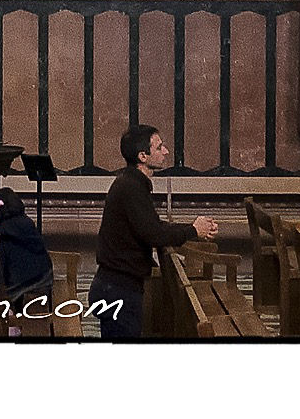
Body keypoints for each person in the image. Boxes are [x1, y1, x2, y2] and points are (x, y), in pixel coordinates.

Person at [91, 124, 219, 340]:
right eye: (159, 147)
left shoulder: (133, 182)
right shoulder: (130, 187)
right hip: (118, 289)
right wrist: (193, 230)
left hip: (118, 284)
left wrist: (194, 228)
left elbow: (154, 226)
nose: (166, 151)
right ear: (143, 156)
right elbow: (154, 234)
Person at [0, 190, 57, 328]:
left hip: (33, 282)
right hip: (40, 276)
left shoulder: (10, 227)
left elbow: (8, 268)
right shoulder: (22, 221)